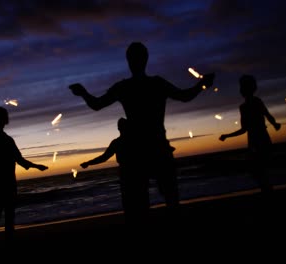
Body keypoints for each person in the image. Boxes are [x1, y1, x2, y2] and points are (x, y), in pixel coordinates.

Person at [69, 41, 215, 224]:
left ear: (129, 61)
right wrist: (202, 84)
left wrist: (83, 93)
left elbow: (97, 104)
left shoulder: (124, 87)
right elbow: (185, 96)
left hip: (138, 152)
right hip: (157, 148)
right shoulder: (156, 83)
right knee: (170, 199)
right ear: (145, 59)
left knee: (140, 205)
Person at [0, 106, 48, 248]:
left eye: (1, 118)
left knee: (5, 215)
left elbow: (19, 159)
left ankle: (6, 243)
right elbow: (14, 158)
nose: (0, 121)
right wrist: (34, 166)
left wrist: (36, 166)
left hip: (4, 182)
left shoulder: (1, 139)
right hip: (1, 182)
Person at [219, 74, 281, 195]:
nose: (241, 90)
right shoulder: (254, 103)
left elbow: (244, 129)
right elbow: (267, 116)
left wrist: (227, 136)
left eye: (242, 87)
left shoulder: (245, 106)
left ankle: (267, 191)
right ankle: (268, 190)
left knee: (258, 170)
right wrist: (275, 124)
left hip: (256, 141)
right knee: (260, 170)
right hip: (262, 138)